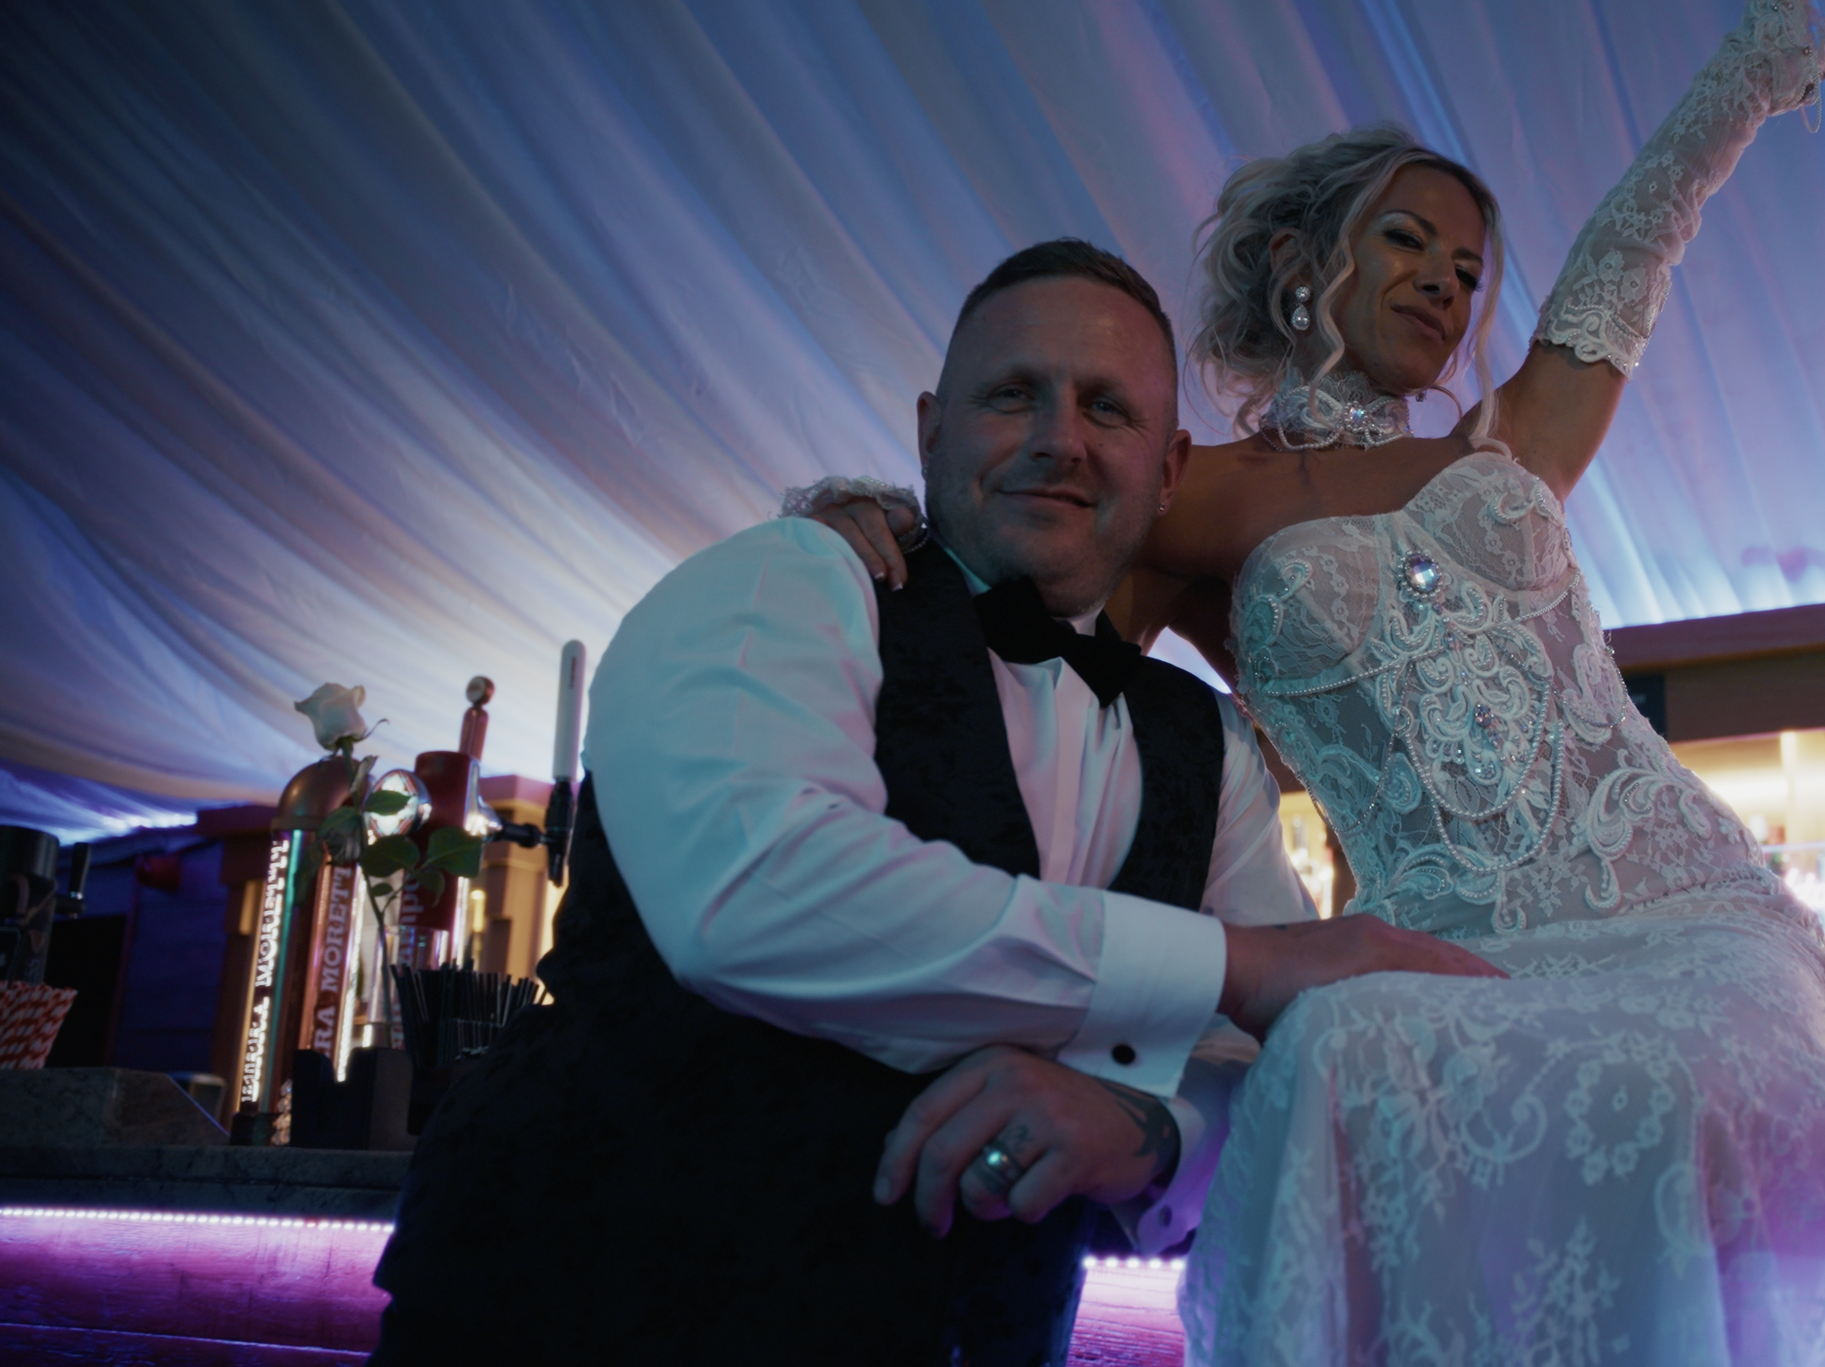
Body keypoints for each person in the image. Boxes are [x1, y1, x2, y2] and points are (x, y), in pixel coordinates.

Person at [811, 0, 1825, 1362]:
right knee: (1333, 1052)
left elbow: (1634, 246)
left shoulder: (1503, 446)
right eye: (1407, 241)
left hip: (1684, 907)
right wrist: (860, 521)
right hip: (1433, 949)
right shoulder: (1193, 498)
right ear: (1299, 263)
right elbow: (1026, 544)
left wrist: (1754, 61)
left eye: (1467, 268)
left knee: (1663, 1083)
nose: (1448, 282)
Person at [367, 240, 1500, 1366]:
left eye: (1107, 407)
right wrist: (1233, 965)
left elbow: (1280, 1064)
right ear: (929, 429)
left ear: (1166, 469)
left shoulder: (1205, 737)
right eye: (1014, 394)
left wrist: (1151, 1128)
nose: (1059, 437)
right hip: (572, 1313)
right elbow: (757, 895)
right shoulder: (788, 581)